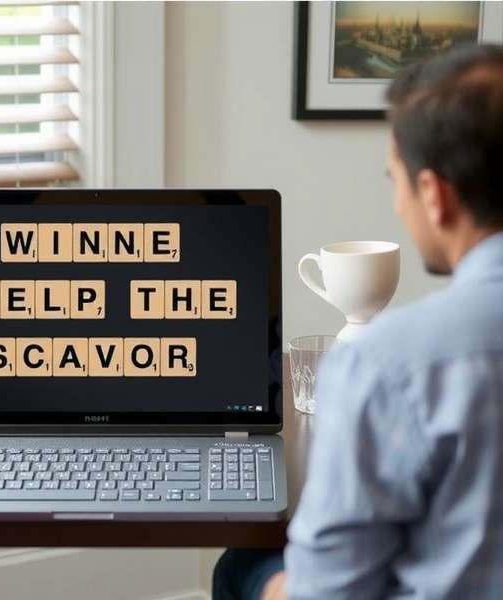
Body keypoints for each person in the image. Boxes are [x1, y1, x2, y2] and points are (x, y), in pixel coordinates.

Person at [214, 43, 503, 599]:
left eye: (396, 179)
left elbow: (327, 594)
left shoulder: (388, 365)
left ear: (434, 195)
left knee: (243, 564)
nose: (397, 204)